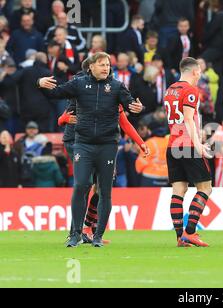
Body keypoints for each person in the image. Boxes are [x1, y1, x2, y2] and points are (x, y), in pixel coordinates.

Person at [37, 52, 144, 248]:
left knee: (105, 191)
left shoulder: (117, 87)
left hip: (108, 145)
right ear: (91, 67)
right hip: (83, 144)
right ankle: (75, 234)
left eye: (108, 65)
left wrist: (136, 108)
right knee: (81, 186)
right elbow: (55, 93)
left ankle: (97, 236)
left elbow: (130, 106)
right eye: (102, 64)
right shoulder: (78, 84)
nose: (106, 68)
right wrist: (40, 84)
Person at [164, 57, 213, 248]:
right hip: (187, 145)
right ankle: (190, 232)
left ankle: (179, 237)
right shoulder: (190, 90)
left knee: (179, 190)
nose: (200, 74)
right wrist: (198, 145)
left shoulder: (170, 90)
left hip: (172, 144)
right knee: (205, 187)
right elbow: (188, 120)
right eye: (199, 71)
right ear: (194, 71)